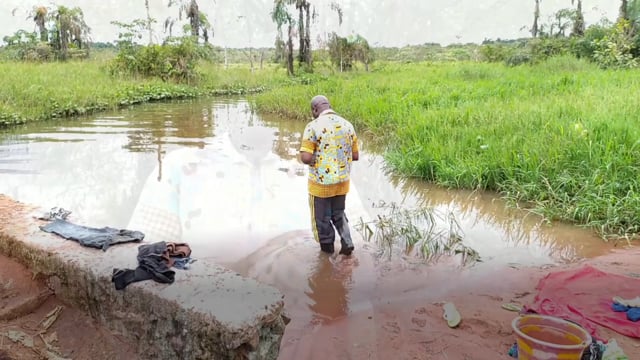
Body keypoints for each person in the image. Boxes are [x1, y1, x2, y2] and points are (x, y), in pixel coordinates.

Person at [299, 95, 359, 256]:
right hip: (342, 182)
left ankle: (326, 257)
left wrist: (321, 158)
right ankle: (347, 242)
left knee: (322, 220)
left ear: (315, 109)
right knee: (338, 213)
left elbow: (305, 157)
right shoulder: (347, 125)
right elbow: (355, 155)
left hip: (321, 184)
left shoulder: (313, 126)